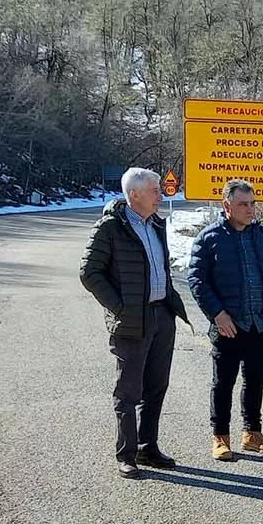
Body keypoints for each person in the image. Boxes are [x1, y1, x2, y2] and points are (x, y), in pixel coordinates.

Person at [79, 167, 191, 478]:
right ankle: (126, 453)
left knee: (157, 386)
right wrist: (121, 307)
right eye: (155, 190)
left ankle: (148, 447)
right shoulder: (110, 228)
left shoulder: (156, 224)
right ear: (135, 195)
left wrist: (168, 304)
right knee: (128, 390)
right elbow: (89, 273)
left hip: (160, 315)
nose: (161, 194)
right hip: (131, 320)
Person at [187, 178, 263, 461]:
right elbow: (197, 280)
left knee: (255, 379)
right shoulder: (209, 238)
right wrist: (217, 314)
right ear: (227, 206)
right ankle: (220, 437)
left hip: (261, 323)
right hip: (228, 325)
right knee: (223, 383)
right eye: (243, 204)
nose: (250, 209)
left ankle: (252, 433)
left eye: (252, 203)